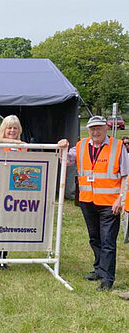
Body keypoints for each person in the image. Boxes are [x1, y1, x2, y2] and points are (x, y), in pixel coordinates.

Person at [58, 115, 128, 291]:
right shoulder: (81, 146)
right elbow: (65, 160)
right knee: (94, 238)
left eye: (99, 128)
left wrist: (121, 198)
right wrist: (62, 147)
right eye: (92, 128)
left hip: (109, 202)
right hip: (88, 201)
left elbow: (126, 174)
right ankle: (98, 269)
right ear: (88, 130)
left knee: (108, 241)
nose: (95, 131)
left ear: (106, 128)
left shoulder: (118, 146)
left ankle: (107, 279)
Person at [0, 115, 25, 269]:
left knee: (9, 223)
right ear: (3, 129)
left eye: (15, 128)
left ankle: (3, 256)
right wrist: (12, 142)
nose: (12, 131)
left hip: (15, 191)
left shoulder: (23, 147)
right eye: (9, 127)